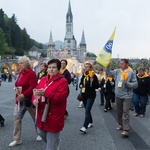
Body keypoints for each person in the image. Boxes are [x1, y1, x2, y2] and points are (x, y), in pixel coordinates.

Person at [32, 59, 68, 150]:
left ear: (59, 69)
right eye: (49, 67)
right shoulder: (43, 79)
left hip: (54, 114)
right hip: (42, 112)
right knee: (40, 132)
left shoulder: (62, 81)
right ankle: (56, 142)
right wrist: (34, 100)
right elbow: (35, 91)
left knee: (50, 146)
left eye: (54, 67)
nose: (51, 69)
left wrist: (45, 93)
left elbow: (60, 98)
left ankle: (54, 143)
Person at [9, 56, 37, 147]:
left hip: (28, 100)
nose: (20, 65)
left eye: (22, 63)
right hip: (20, 100)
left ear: (27, 64)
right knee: (16, 118)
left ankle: (40, 133)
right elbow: (17, 83)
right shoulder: (21, 73)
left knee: (36, 118)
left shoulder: (31, 73)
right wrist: (16, 88)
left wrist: (24, 94)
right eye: (19, 63)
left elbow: (33, 87)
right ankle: (17, 139)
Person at [106, 58, 138, 137]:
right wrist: (107, 67)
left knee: (126, 112)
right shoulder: (117, 71)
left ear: (127, 64)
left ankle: (126, 129)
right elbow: (109, 74)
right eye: (120, 64)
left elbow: (135, 84)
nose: (120, 65)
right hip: (118, 94)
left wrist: (127, 83)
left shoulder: (131, 72)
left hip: (127, 95)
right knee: (119, 111)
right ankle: (121, 124)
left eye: (122, 64)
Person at [79, 62, 99, 133]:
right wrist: (81, 85)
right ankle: (90, 121)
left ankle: (84, 126)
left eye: (87, 67)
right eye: (85, 66)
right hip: (84, 95)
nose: (85, 68)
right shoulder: (84, 75)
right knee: (87, 109)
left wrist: (93, 82)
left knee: (87, 110)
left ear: (91, 68)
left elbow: (97, 86)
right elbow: (81, 83)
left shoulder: (93, 76)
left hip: (91, 95)